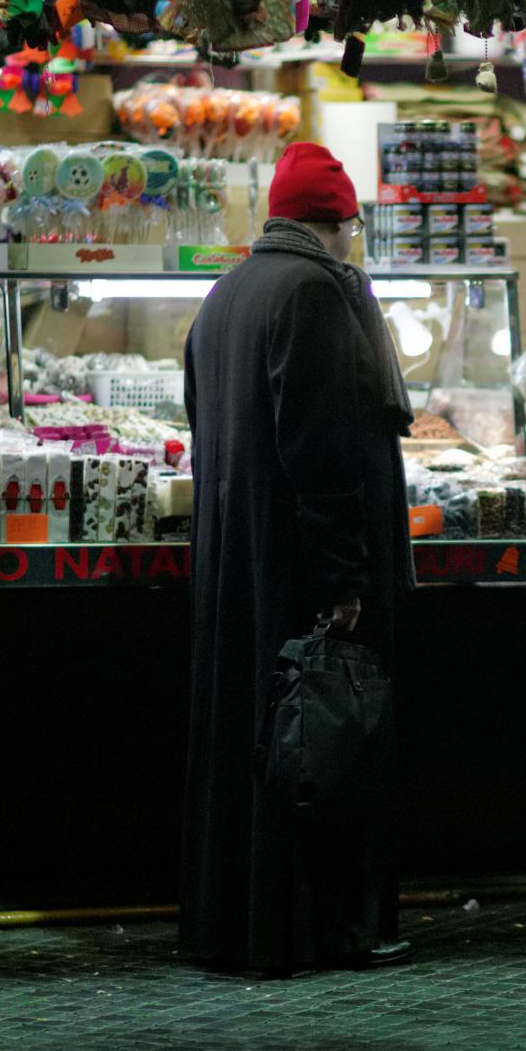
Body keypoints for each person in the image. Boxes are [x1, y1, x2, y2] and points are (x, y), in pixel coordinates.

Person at [180, 142, 416, 976]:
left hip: (237, 558)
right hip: (295, 565)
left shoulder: (227, 293)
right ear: (341, 223)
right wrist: (344, 581)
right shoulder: (316, 292)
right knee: (317, 746)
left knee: (249, 741)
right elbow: (324, 452)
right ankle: (323, 927)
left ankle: (236, 921)